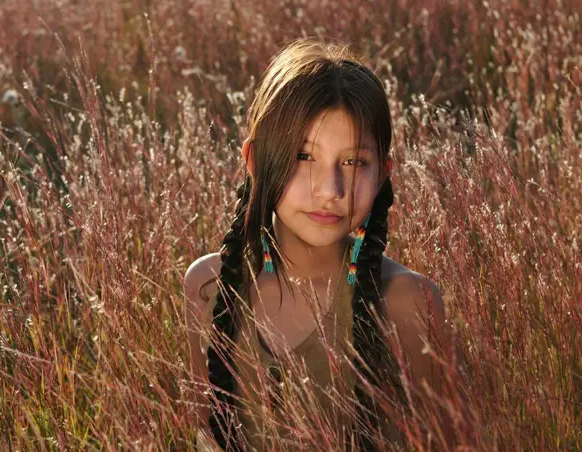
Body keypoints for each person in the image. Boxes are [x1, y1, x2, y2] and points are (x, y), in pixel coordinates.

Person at [183, 38, 449, 451]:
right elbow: (204, 435)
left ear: (382, 174)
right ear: (255, 161)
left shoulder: (410, 302)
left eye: (354, 162)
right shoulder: (208, 285)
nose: (330, 189)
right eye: (303, 156)